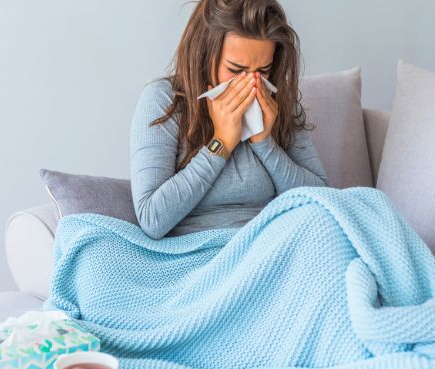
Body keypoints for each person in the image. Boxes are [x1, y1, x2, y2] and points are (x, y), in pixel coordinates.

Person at [129, 0, 329, 240]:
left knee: (369, 203)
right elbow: (152, 219)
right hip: (198, 251)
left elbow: (323, 200)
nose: (251, 84)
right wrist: (221, 143)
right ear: (204, 54)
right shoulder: (163, 100)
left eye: (263, 70)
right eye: (236, 70)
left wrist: (264, 143)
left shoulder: (277, 102)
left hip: (270, 243)